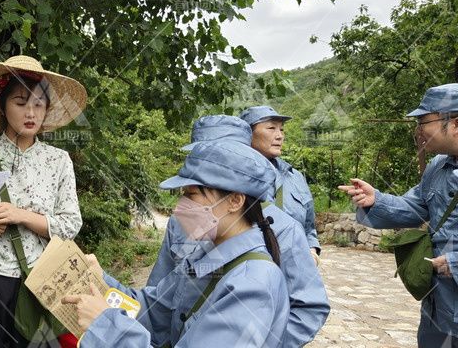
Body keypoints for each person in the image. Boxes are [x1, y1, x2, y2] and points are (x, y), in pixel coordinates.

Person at [63, 139, 289, 347]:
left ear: (235, 201)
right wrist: (101, 281)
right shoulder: (204, 255)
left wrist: (106, 325)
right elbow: (153, 311)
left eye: (192, 195)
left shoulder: (252, 284)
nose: (180, 208)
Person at [147, 115, 329, 347]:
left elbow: (308, 307)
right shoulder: (190, 224)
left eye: (219, 155)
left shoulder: (283, 233)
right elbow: (161, 293)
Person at [0, 55, 87, 347]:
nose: (31, 112)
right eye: (20, 102)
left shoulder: (58, 161)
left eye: (39, 104)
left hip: (39, 282)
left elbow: (70, 224)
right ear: (2, 105)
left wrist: (19, 215)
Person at [339, 83, 458, 347]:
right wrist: (376, 200)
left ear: (455, 124)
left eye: (424, 121)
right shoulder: (438, 166)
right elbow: (416, 207)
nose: (418, 130)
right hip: (439, 304)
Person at [239, 105, 322, 265]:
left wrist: (312, 253)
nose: (280, 136)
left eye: (281, 130)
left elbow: (309, 228)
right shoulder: (233, 176)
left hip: (297, 273)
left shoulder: (295, 176)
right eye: (271, 128)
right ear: (248, 134)